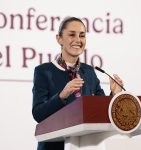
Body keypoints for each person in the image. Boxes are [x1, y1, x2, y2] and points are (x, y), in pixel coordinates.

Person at [32, 17, 124, 150]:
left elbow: (102, 111)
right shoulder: (44, 71)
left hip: (86, 146)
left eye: (82, 35)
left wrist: (114, 94)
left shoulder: (89, 71)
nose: (78, 40)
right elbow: (38, 114)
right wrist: (61, 96)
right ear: (59, 39)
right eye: (71, 34)